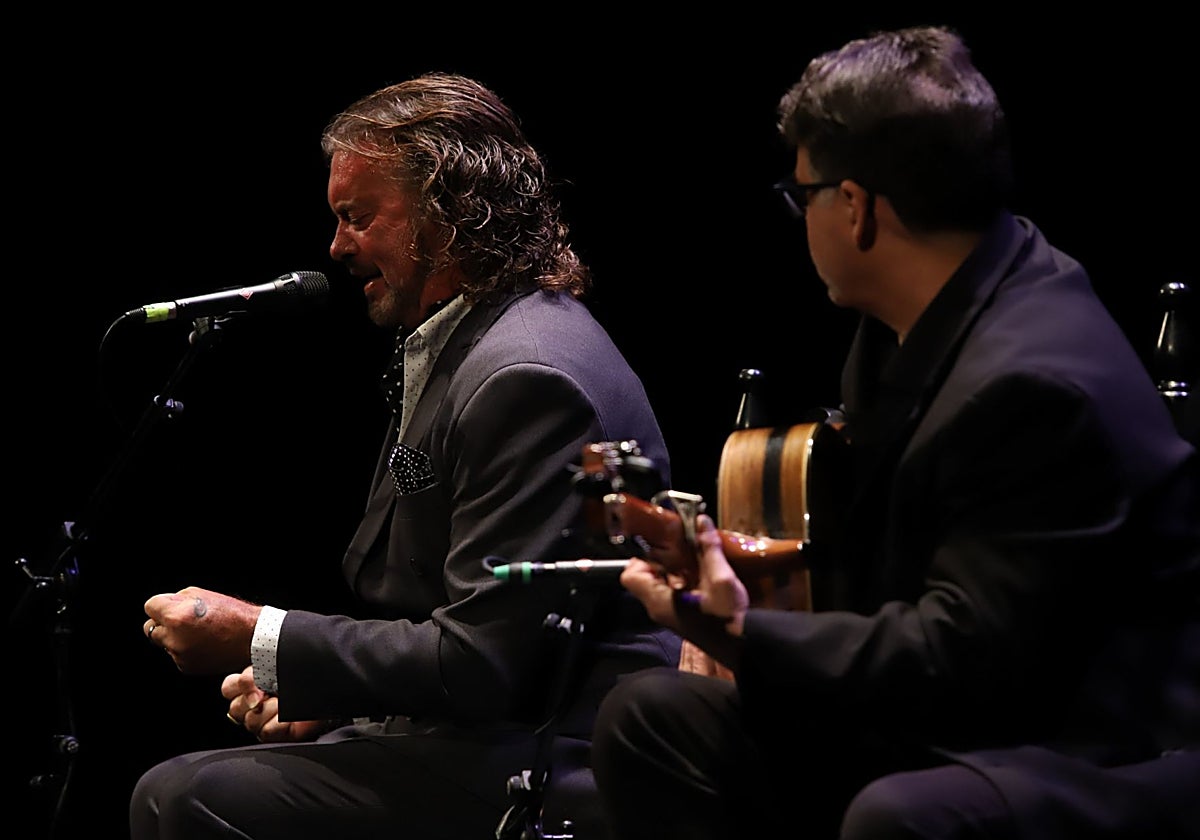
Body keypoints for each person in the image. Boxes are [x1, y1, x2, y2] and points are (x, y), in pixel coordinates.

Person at [589, 25, 1200, 840]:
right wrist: (748, 577)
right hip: (973, 704)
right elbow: (908, 558)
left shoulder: (1034, 382)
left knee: (896, 816)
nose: (798, 215)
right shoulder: (913, 324)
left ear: (856, 207)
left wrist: (742, 634)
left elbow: (970, 659)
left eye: (800, 194)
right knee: (651, 714)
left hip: (1092, 748)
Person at [131, 72, 680, 839]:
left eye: (356, 217)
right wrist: (330, 693)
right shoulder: (479, 340)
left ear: (446, 214)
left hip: (558, 748)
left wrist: (262, 634)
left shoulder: (527, 373)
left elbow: (492, 662)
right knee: (184, 786)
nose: (335, 247)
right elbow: (466, 625)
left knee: (184, 796)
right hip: (493, 723)